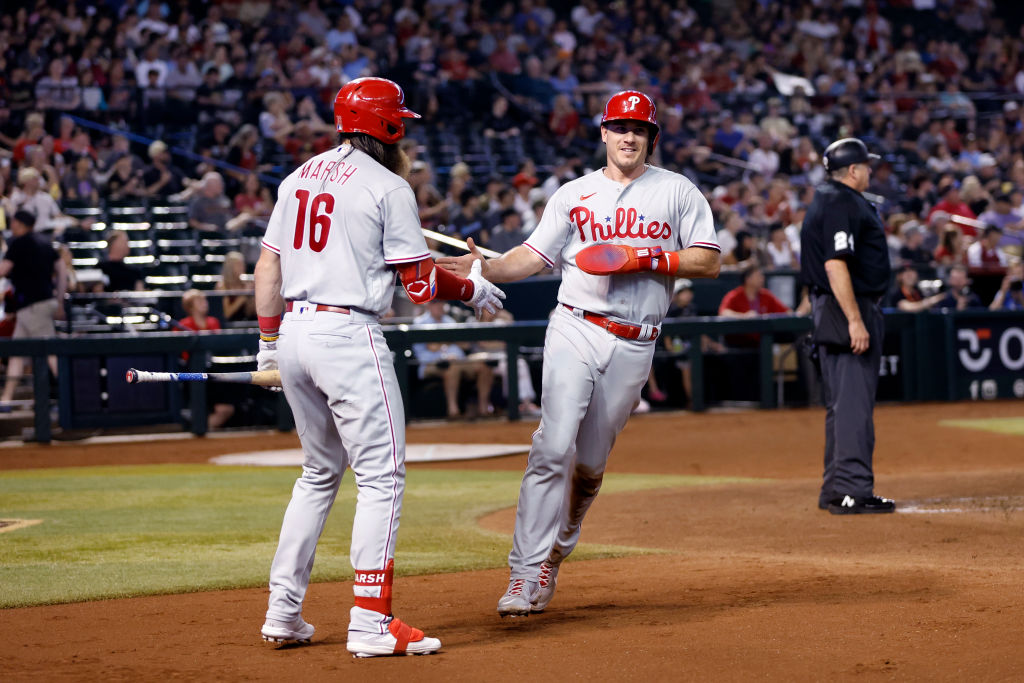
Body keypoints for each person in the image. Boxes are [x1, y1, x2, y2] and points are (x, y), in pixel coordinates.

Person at [438, 90, 721, 616]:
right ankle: (524, 574)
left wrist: (638, 258)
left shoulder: (679, 193)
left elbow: (706, 262)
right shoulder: (573, 195)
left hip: (636, 339)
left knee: (589, 466)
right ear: (604, 134)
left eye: (638, 128)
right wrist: (483, 268)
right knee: (552, 445)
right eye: (618, 127)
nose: (628, 136)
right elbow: (530, 257)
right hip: (574, 326)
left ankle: (556, 556)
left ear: (652, 138)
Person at [253, 77, 504, 656]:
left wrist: (268, 345)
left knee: (317, 476)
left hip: (295, 332)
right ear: (388, 128)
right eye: (402, 122)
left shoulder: (298, 178)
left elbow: (268, 272)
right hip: (348, 335)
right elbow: (417, 285)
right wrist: (469, 289)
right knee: (381, 477)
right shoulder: (389, 186)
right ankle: (370, 620)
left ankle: (283, 612)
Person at [800, 138, 895, 515]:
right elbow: (835, 263)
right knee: (853, 405)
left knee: (842, 405)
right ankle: (853, 490)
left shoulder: (828, 198)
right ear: (853, 170)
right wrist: (855, 319)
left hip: (834, 306)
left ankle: (836, 489)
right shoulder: (841, 200)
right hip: (846, 308)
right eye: (866, 166)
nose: (870, 171)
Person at [0, 211, 67, 409]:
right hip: (38, 305)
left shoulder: (19, 243)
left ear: (19, 224)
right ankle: (7, 398)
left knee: (50, 353)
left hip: (33, 306)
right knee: (18, 351)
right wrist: (60, 300)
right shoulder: (45, 242)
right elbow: (62, 270)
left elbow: (3, 270)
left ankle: (70, 395)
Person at [411, 300, 495, 418]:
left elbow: (465, 344)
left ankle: (484, 408)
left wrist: (442, 342)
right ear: (428, 305)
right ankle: (453, 411)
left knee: (484, 362)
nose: (440, 305)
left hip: (458, 360)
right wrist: (450, 342)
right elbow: (432, 346)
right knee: (452, 365)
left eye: (441, 302)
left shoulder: (449, 320)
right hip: (429, 363)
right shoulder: (419, 322)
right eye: (436, 303)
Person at [177, 289, 234, 429]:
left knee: (226, 408)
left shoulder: (213, 322)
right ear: (190, 306)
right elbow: (183, 355)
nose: (204, 303)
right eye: (199, 301)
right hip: (192, 376)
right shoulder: (183, 325)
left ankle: (202, 429)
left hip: (215, 373)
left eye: (205, 300)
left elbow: (220, 347)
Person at [216, 251, 256, 322]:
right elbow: (227, 314)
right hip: (230, 325)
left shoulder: (245, 284)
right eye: (238, 264)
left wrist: (253, 295)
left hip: (246, 323)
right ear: (230, 267)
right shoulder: (223, 285)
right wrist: (244, 295)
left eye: (243, 264)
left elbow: (250, 312)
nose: (243, 267)